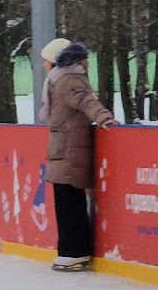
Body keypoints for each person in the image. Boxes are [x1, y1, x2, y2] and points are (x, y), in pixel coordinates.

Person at [39, 37, 116, 272]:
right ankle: (70, 251)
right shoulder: (59, 80)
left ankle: (75, 252)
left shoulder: (68, 81)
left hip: (70, 150)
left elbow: (86, 101)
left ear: (56, 61)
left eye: (46, 61)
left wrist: (103, 117)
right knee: (65, 202)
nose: (43, 65)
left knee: (70, 202)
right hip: (64, 149)